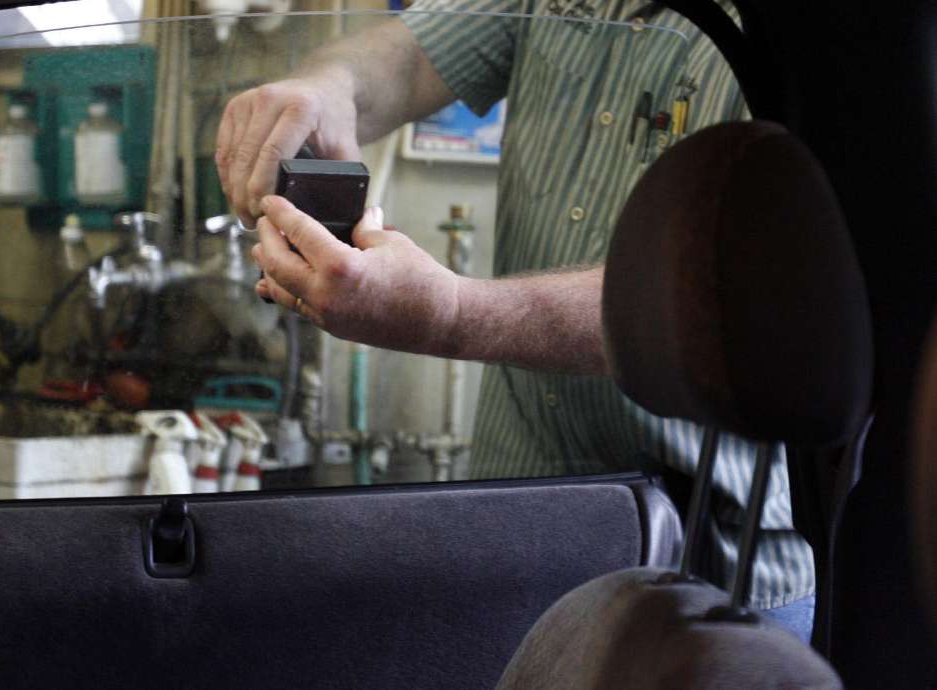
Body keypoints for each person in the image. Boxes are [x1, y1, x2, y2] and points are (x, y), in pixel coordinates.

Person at [215, 1, 816, 641]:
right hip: (516, 530)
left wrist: (452, 314)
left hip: (708, 564)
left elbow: (750, 292)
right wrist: (329, 86)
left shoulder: (817, 33)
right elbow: (412, 58)